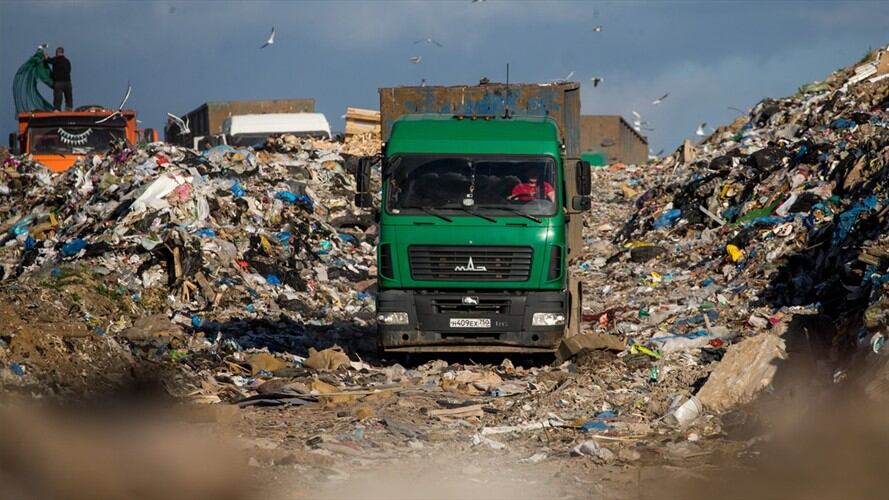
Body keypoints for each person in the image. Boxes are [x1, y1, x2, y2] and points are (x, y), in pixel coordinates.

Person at [44, 47, 72, 111]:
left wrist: (46, 56)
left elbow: (49, 60)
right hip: (68, 82)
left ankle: (57, 110)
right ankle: (69, 109)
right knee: (68, 98)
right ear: (63, 52)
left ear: (56, 53)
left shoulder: (56, 59)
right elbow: (69, 70)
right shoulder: (67, 61)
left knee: (58, 98)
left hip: (59, 83)